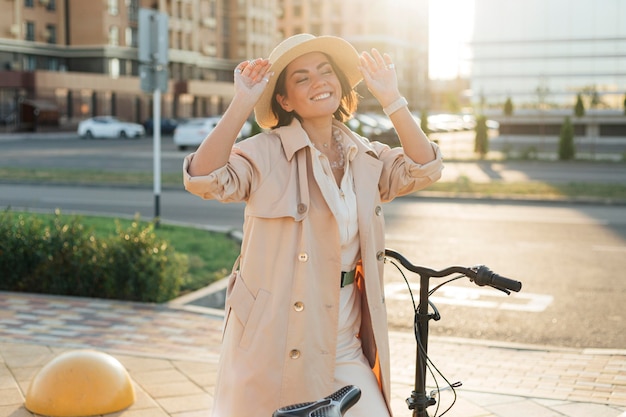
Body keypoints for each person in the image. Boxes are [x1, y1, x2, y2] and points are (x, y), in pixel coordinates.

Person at [183, 33, 443, 417]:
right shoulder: (265, 154)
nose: (319, 81)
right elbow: (203, 177)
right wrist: (242, 102)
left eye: (325, 71)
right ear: (285, 101)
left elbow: (425, 168)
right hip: (276, 338)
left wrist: (392, 98)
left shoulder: (365, 156)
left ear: (340, 83)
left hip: (343, 340)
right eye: (301, 78)